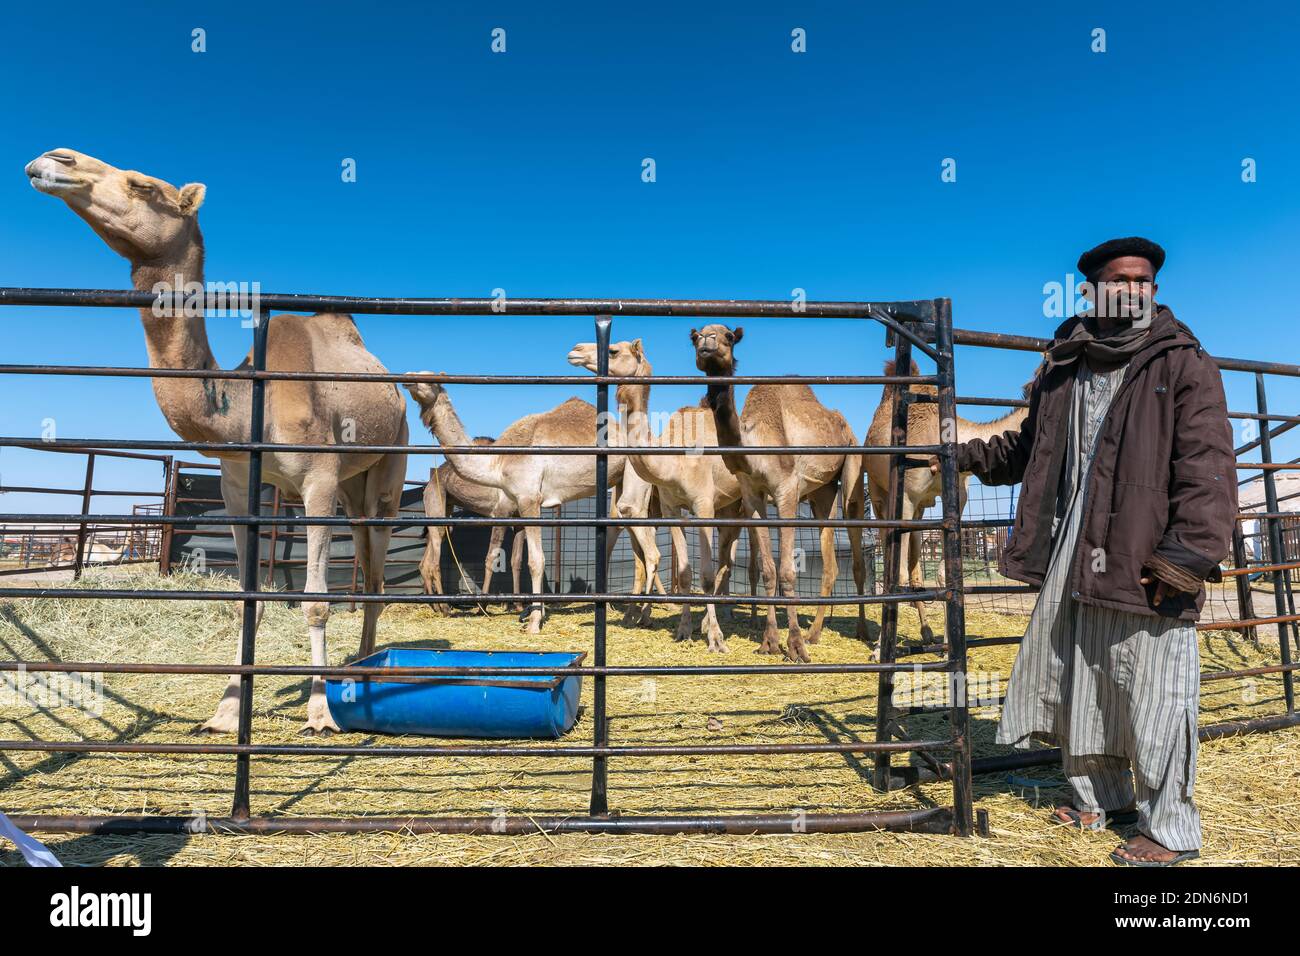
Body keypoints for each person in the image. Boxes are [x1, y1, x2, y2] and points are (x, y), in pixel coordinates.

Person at [934, 237, 1237, 865]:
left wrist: (1185, 557)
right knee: (1087, 685)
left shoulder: (1183, 363)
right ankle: (1103, 798)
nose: (1133, 289)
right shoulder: (1064, 366)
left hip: (1147, 557)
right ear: (1092, 292)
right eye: (1119, 279)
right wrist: (959, 455)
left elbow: (1209, 468)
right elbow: (1027, 450)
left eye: (1144, 280)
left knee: (1158, 695)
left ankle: (1170, 831)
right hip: (1075, 553)